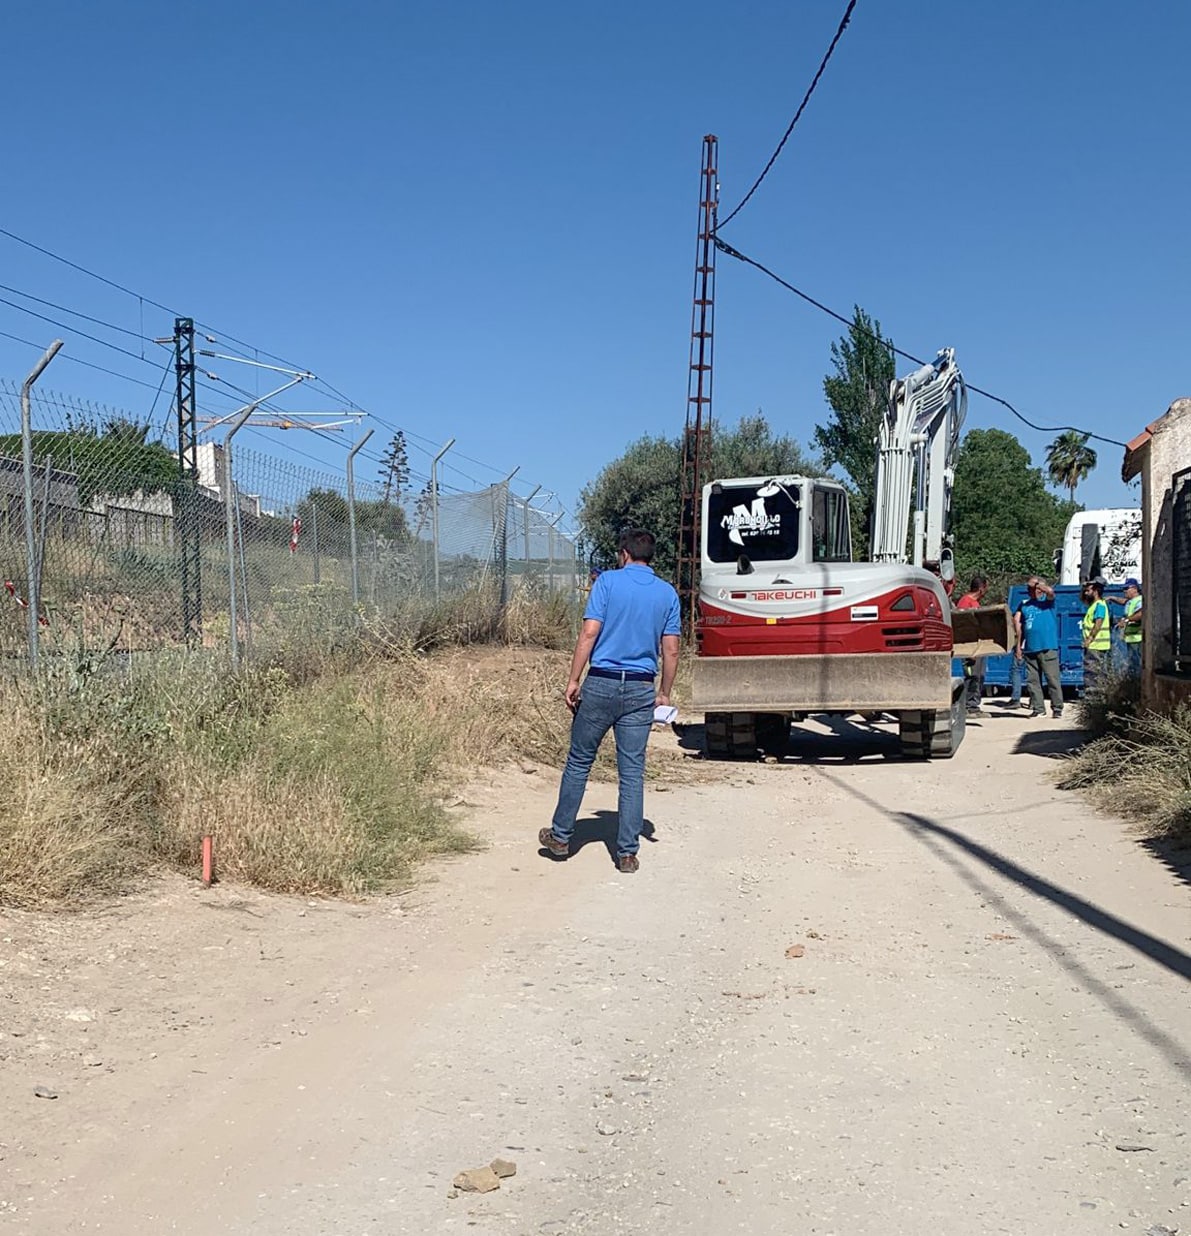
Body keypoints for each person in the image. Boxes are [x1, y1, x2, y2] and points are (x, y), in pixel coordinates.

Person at [539, 528, 681, 874]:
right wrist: (664, 692)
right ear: (651, 557)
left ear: (624, 554)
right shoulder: (667, 593)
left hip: (601, 682)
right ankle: (627, 853)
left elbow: (589, 632)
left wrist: (574, 679)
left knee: (579, 761)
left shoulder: (607, 583)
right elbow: (672, 649)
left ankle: (560, 837)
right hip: (639, 689)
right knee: (632, 772)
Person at [1014, 575, 1063, 718]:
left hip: (1047, 646)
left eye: (1031, 587)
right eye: (1027, 588)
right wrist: (1018, 647)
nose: (1028, 590)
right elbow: (1021, 628)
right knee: (1032, 681)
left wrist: (1040, 586)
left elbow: (1051, 593)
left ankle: (1057, 708)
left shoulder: (1047, 603)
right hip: (1030, 648)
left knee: (1052, 679)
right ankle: (1038, 708)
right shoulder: (1025, 605)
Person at [954, 572, 989, 714]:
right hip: (971, 647)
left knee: (979, 676)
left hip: (978, 646)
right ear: (981, 588)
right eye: (986, 588)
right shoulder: (965, 602)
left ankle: (973, 704)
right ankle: (970, 706)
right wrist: (971, 650)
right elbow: (964, 626)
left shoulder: (975, 603)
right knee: (972, 676)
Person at [1080, 578, 1111, 694]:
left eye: (1089, 589)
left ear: (1096, 590)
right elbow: (1083, 597)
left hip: (1096, 644)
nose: (1086, 591)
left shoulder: (1099, 605)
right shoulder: (1095, 605)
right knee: (1093, 672)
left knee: (1093, 673)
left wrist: (1090, 639)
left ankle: (1094, 696)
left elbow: (1098, 623)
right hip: (1095, 644)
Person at [1108, 577, 1144, 675]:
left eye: (1126, 589)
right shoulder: (1131, 601)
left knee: (1137, 666)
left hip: (1138, 639)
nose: (1124, 591)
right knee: (1132, 665)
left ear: (1135, 589)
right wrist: (1112, 598)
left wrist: (1127, 620)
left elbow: (1141, 614)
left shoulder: (1140, 601)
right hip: (1131, 639)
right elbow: (1123, 601)